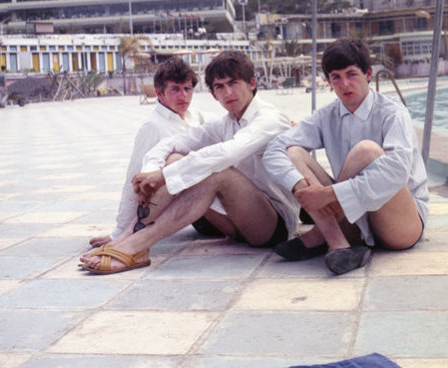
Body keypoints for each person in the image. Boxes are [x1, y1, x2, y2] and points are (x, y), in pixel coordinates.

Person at [80, 51, 299, 274]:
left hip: (272, 224)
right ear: (213, 94)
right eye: (219, 87)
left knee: (217, 171)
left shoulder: (270, 118)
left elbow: (228, 152)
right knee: (176, 158)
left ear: (251, 83)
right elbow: (172, 143)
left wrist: (163, 176)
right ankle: (128, 237)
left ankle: (137, 245)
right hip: (234, 224)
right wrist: (150, 173)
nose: (228, 92)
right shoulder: (226, 122)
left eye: (233, 83)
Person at [263, 38, 429, 275]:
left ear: (368, 74)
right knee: (293, 152)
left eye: (352, 74)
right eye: (336, 77)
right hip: (354, 222)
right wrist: (302, 187)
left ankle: (320, 233)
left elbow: (397, 171)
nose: (345, 84)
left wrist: (328, 195)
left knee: (366, 151)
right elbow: (274, 149)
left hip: (401, 225)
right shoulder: (326, 116)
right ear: (329, 82)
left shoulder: (393, 113)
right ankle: (337, 243)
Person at [87, 56, 210, 250]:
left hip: (210, 199)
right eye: (175, 89)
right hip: (198, 211)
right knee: (175, 160)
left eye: (187, 89)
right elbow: (134, 179)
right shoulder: (153, 127)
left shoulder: (197, 116)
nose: (183, 96)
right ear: (160, 94)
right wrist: (119, 232)